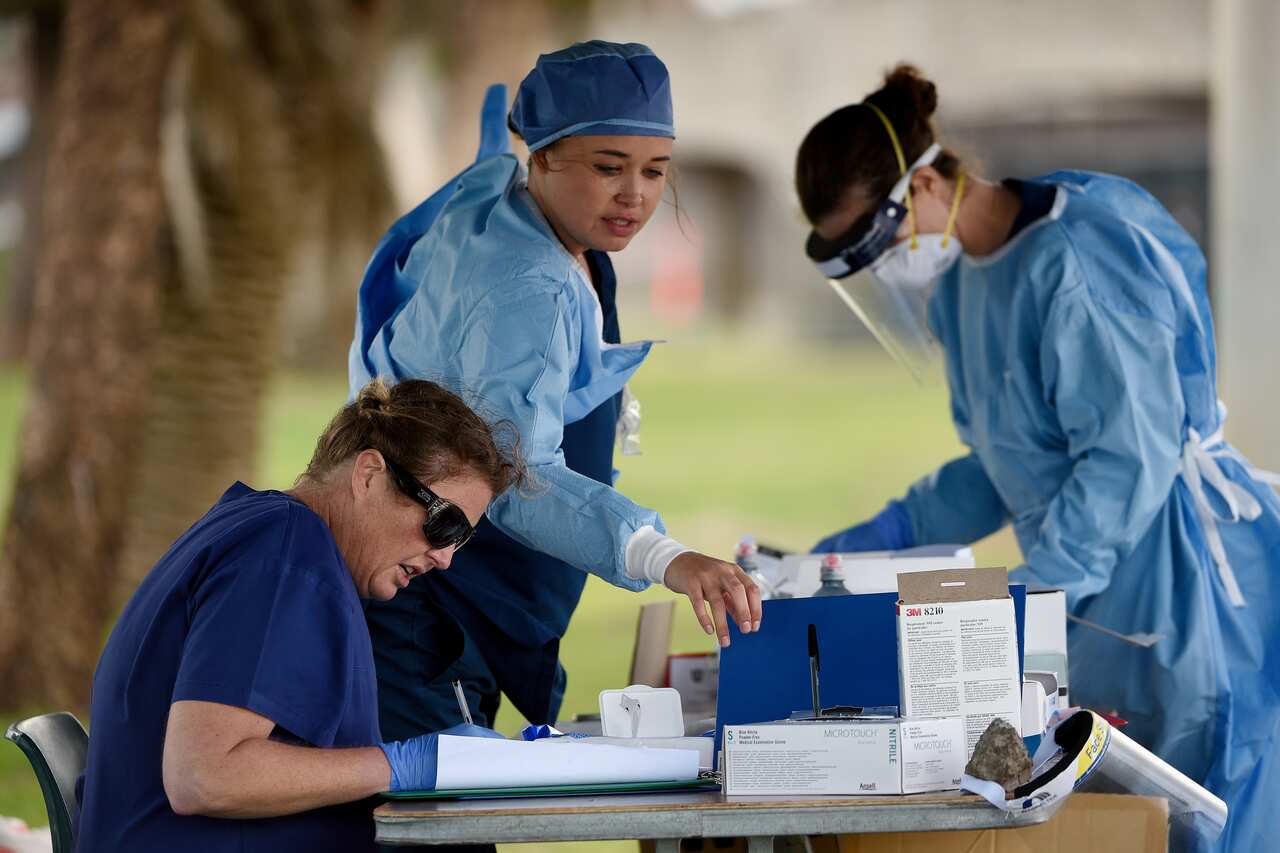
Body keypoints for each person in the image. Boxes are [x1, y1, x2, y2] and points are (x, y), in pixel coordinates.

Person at [796, 65, 1280, 851]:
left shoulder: (1080, 259)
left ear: (923, 187)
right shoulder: (963, 289)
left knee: (1202, 813)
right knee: (1116, 822)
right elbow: (1007, 460)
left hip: (1182, 591)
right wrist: (893, 529)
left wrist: (1032, 590)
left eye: (877, 247)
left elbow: (1128, 461)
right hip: (1096, 596)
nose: (887, 271)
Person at [349, 41, 761, 740]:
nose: (635, 194)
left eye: (655, 170)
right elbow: (518, 474)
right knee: (431, 830)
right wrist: (667, 556)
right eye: (608, 167)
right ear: (540, 156)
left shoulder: (532, 215)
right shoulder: (526, 285)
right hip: (431, 603)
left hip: (450, 603)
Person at [75, 379, 523, 852]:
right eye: (444, 523)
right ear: (368, 475)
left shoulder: (267, 536)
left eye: (462, 538)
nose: (445, 557)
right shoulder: (284, 549)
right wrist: (399, 765)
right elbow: (203, 775)